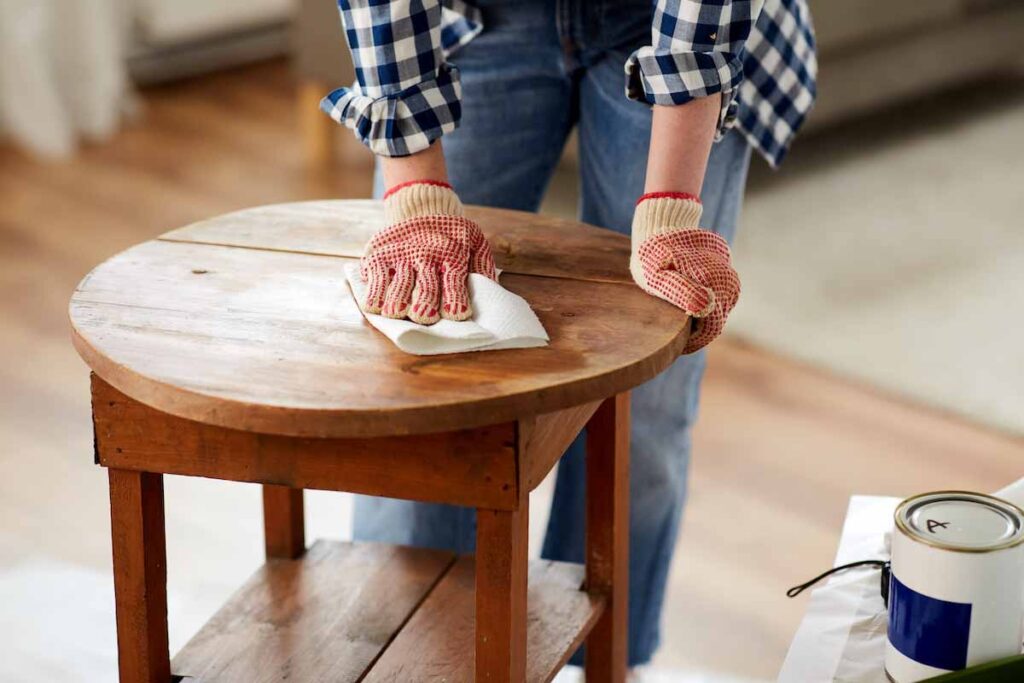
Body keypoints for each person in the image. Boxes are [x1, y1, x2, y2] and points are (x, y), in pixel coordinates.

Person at [322, 0, 817, 669]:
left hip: (680, 23)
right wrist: (416, 194)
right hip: (468, 19)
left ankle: (605, 661)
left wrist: (672, 203)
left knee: (648, 388)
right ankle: (415, 660)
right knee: (425, 364)